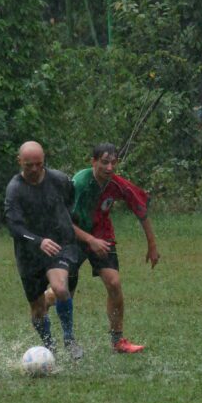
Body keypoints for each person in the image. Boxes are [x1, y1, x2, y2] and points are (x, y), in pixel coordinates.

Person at [69, 143, 159, 354]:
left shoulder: (117, 184)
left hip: (102, 236)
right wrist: (89, 239)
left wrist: (152, 246)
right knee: (62, 293)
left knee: (114, 283)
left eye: (113, 163)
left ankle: (118, 340)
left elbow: (141, 209)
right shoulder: (79, 183)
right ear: (93, 162)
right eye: (104, 162)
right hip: (73, 237)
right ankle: (50, 313)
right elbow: (63, 221)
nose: (109, 168)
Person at [4, 141, 84, 360]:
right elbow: (14, 227)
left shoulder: (59, 180)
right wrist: (38, 241)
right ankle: (49, 347)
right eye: (29, 165)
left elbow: (71, 203)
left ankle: (69, 339)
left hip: (59, 245)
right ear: (19, 161)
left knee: (60, 288)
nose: (34, 169)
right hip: (29, 253)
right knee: (38, 310)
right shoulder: (15, 189)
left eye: (39, 164)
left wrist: (66, 228)